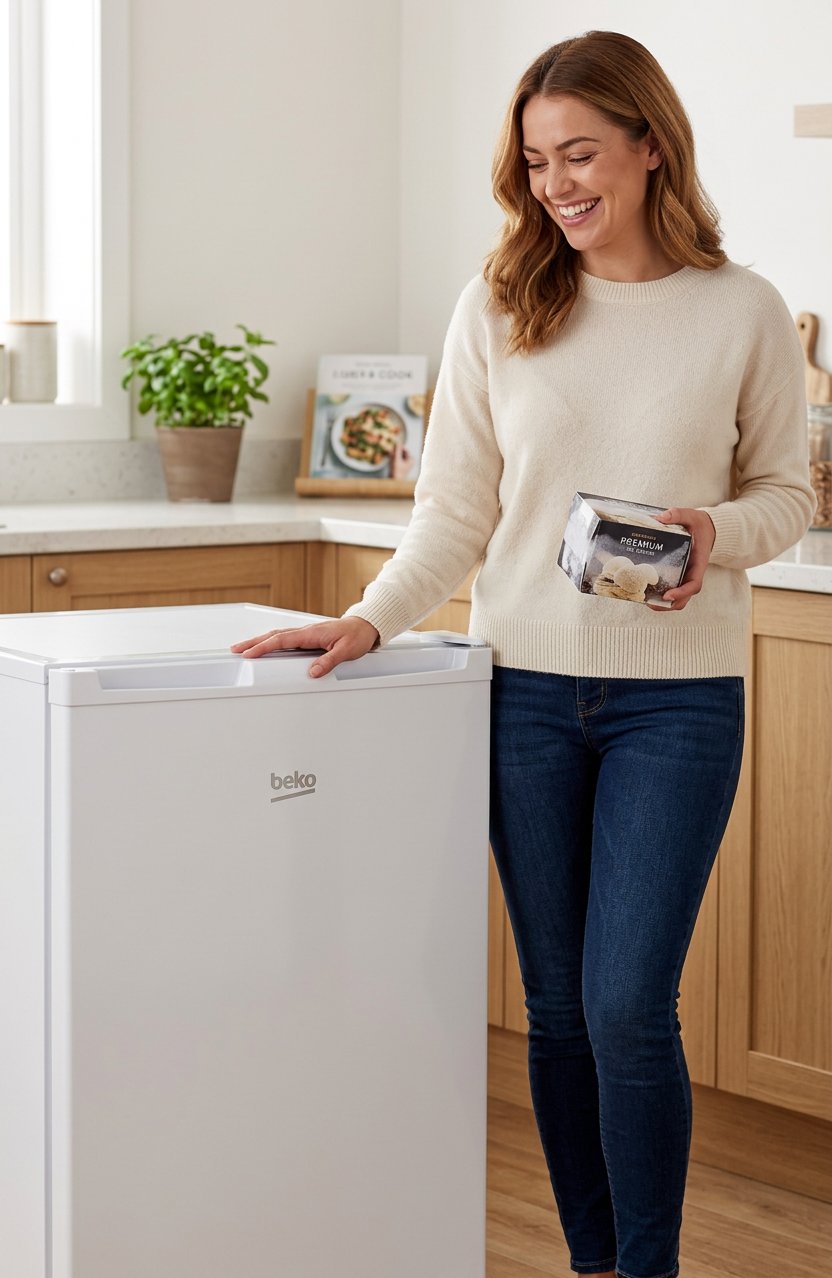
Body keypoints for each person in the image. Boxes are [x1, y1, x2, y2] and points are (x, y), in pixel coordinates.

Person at [232, 31, 815, 1278]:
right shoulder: (499, 303)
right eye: (538, 161)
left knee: (624, 1006)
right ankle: (592, 1262)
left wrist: (711, 532)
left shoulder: (743, 311)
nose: (557, 183)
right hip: (524, 696)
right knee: (555, 1012)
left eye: (583, 154)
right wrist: (369, 618)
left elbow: (785, 494)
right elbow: (454, 512)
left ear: (650, 146)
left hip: (679, 703)